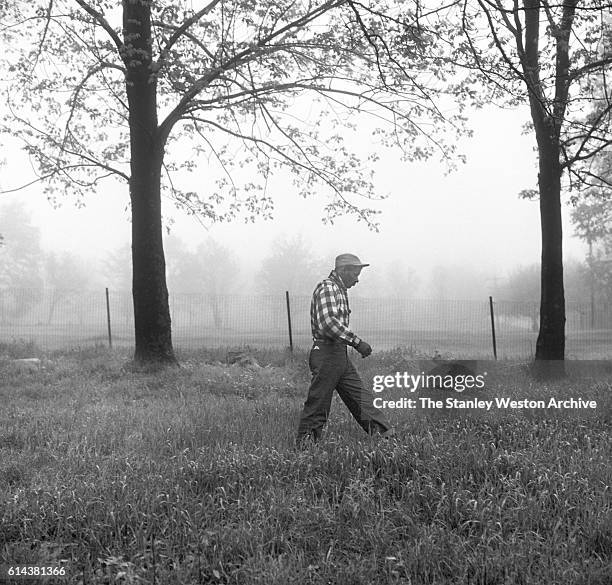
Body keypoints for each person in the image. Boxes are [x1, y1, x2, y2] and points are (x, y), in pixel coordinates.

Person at [296, 253, 394, 445]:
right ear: (343, 270)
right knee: (319, 404)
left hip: (338, 354)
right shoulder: (328, 288)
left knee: (360, 398)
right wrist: (357, 342)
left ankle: (387, 439)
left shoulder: (340, 290)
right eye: (355, 274)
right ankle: (305, 449)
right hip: (326, 353)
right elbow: (328, 323)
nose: (357, 279)